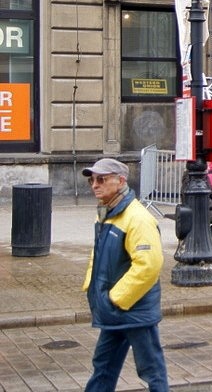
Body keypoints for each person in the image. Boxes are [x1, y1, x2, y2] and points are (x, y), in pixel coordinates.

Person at [81, 158, 168, 391]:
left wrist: (115, 298)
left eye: (101, 179)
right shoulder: (108, 213)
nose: (94, 185)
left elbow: (148, 265)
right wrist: (94, 289)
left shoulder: (137, 217)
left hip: (133, 309)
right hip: (115, 309)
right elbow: (98, 256)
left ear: (120, 182)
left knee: (151, 369)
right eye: (92, 180)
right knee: (103, 365)